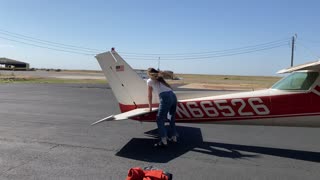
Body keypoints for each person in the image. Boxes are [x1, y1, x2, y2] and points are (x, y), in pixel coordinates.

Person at [147, 68, 178, 147]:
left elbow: (149, 95)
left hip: (165, 97)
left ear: (149, 74)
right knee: (171, 117)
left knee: (159, 120)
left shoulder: (149, 81)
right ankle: (174, 137)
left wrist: (150, 106)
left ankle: (164, 141)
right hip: (173, 95)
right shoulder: (161, 79)